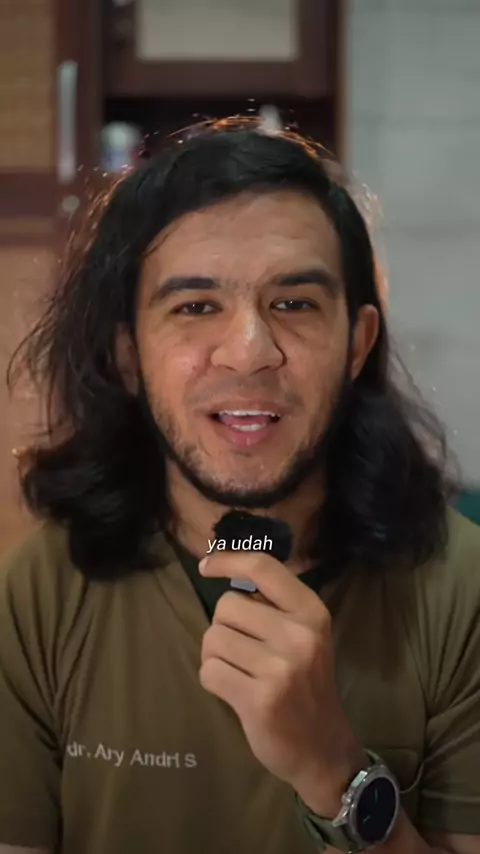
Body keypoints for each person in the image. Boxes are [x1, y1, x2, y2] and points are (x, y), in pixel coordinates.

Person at [0, 118, 479, 854]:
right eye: (195, 307)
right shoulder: (38, 593)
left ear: (357, 344)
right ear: (129, 356)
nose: (250, 352)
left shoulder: (462, 591)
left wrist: (333, 769)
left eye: (294, 303)